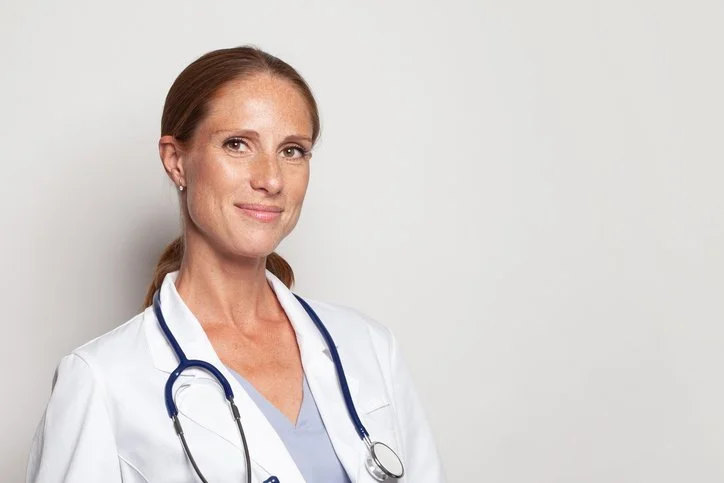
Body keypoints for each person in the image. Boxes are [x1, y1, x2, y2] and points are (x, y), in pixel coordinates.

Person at [26, 46, 445, 483]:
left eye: (293, 151)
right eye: (237, 144)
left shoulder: (369, 347)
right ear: (176, 161)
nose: (270, 179)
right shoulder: (102, 380)